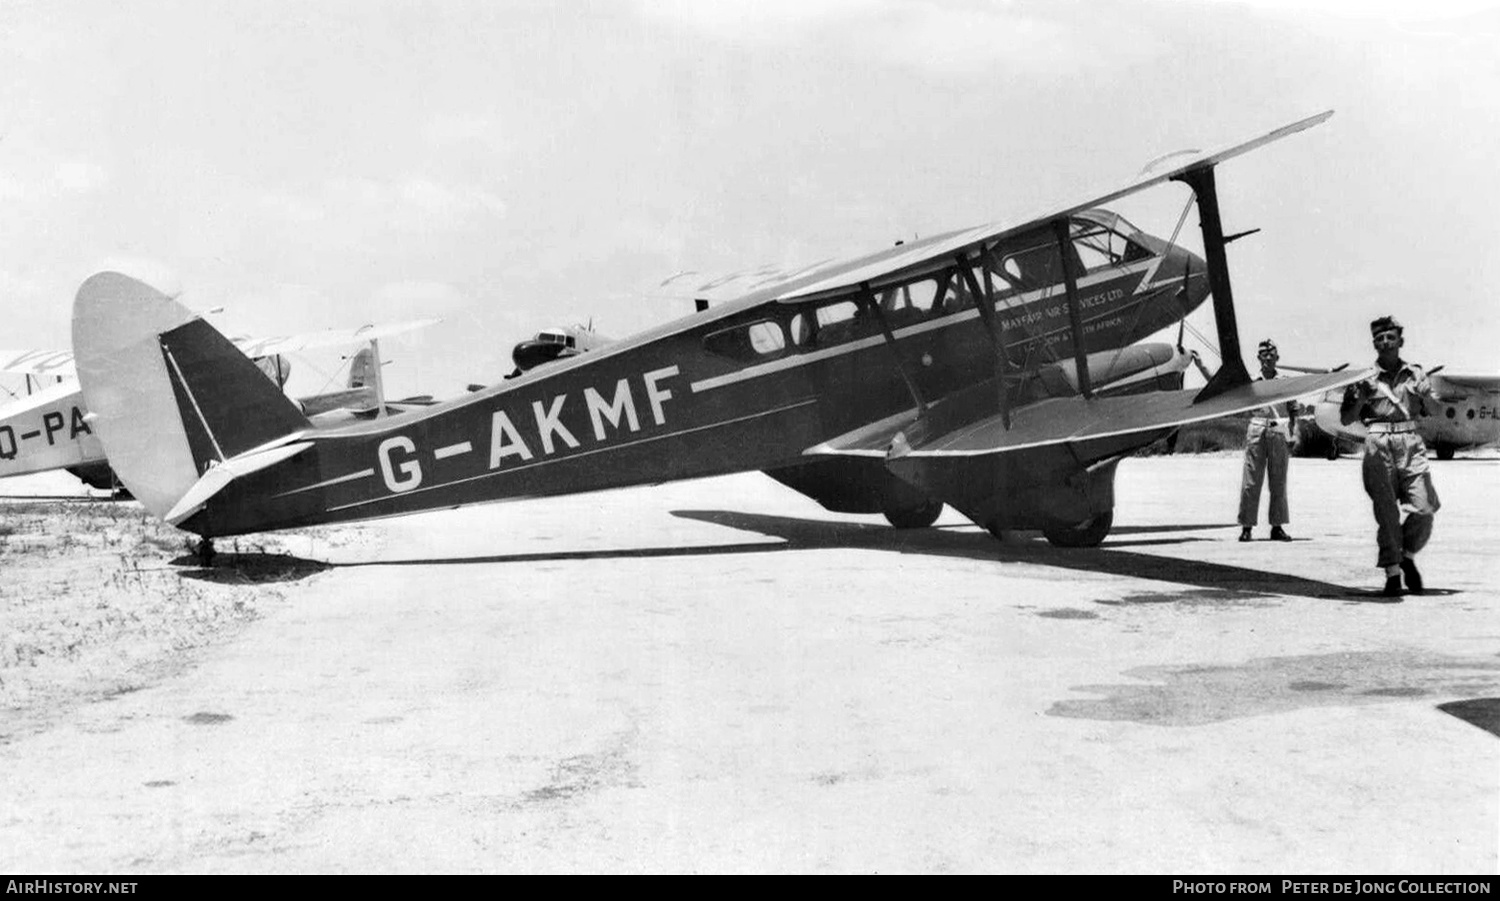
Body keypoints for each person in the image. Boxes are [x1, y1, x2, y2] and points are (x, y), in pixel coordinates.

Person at [1340, 316, 1440, 598]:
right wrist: (1360, 399)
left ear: (1400, 341)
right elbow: (1347, 419)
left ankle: (1406, 555)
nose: (1385, 342)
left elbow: (1431, 410)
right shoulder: (1362, 378)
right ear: (1374, 343)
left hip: (1410, 441)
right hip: (1378, 443)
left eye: (1390, 337)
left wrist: (1426, 395)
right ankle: (1393, 574)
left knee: (1424, 508)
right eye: (1380, 338)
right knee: (1386, 513)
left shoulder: (1416, 374)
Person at [1238, 339, 1298, 542]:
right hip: (1256, 426)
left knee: (1278, 481)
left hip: (1278, 427)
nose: (1268, 356)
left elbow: (1293, 410)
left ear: (1277, 357)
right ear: (1258, 358)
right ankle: (1246, 527)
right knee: (1251, 481)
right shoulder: (1252, 381)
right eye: (1264, 353)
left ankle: (1277, 527)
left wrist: (1293, 433)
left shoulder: (1286, 381)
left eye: (1272, 353)